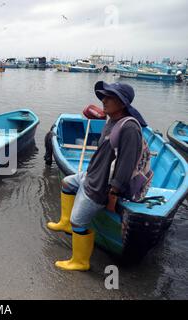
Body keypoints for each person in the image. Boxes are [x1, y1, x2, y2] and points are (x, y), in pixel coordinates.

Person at [47, 81, 147, 271]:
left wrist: (113, 193)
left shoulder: (129, 128)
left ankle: (80, 261)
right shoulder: (112, 121)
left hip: (100, 184)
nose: (104, 100)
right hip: (90, 174)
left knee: (80, 221)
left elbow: (126, 165)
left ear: (123, 102)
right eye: (104, 96)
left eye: (110, 97)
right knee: (67, 183)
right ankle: (65, 223)